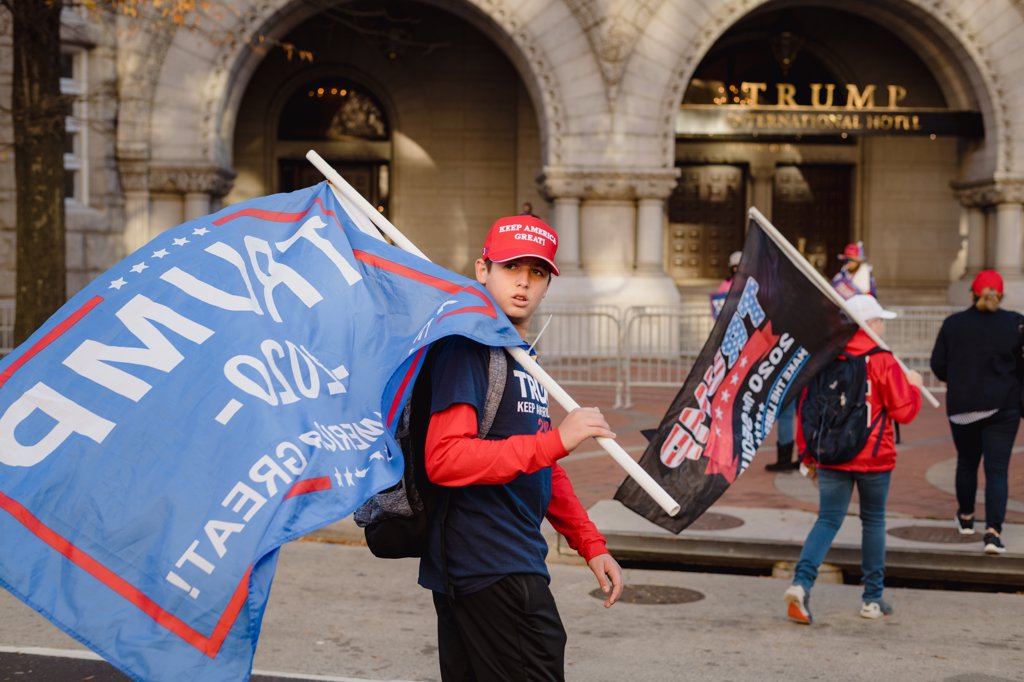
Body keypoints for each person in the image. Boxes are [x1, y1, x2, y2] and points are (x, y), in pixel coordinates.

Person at [419, 214, 624, 681]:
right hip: (486, 565)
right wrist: (558, 439)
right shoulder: (465, 347)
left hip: (509, 558)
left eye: (537, 273)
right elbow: (445, 459)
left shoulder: (521, 357)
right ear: (482, 269)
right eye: (512, 268)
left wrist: (590, 544)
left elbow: (543, 463)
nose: (524, 283)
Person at [784, 294, 923, 624]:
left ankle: (802, 583)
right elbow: (905, 412)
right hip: (874, 456)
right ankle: (872, 599)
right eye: (880, 320)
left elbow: (807, 409)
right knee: (873, 521)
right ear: (870, 324)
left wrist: (808, 456)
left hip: (832, 455)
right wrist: (914, 386)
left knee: (828, 520)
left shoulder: (825, 357)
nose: (883, 326)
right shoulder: (883, 360)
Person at [929, 269, 1023, 555]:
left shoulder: (953, 324)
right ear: (1001, 294)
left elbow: (938, 365)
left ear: (972, 293)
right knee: (997, 471)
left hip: (963, 407)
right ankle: (993, 533)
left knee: (967, 462)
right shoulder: (1016, 324)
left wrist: (960, 377)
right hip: (1003, 405)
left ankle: (967, 518)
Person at [710, 250, 742, 320]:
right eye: (735, 267)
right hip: (729, 318)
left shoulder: (749, 282)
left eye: (740, 266)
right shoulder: (726, 283)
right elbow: (719, 301)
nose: (737, 269)